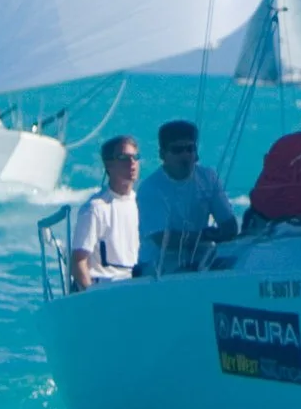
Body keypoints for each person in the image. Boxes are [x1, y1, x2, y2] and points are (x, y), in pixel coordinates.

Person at [137, 119, 239, 271]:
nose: (185, 155)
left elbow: (229, 225)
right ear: (162, 154)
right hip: (158, 264)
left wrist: (223, 232)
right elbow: (163, 239)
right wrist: (206, 236)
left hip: (201, 258)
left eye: (189, 149)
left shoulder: (208, 178)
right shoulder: (150, 188)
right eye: (177, 150)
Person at [68, 135, 142, 291]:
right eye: (124, 158)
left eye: (135, 157)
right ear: (109, 164)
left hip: (137, 284)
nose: (132, 163)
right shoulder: (95, 208)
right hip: (106, 288)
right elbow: (78, 262)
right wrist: (91, 296)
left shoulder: (142, 204)